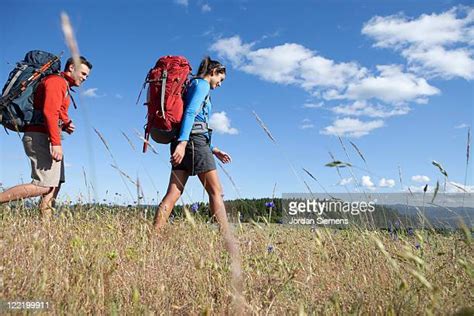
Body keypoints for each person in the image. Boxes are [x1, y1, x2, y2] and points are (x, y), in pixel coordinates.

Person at [0, 56, 92, 218]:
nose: (85, 78)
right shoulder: (56, 82)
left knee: (55, 183)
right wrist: (56, 143)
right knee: (43, 185)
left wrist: (65, 123)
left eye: (87, 76)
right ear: (71, 68)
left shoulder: (62, 84)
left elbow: (56, 110)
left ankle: (46, 228)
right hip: (40, 135)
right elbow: (50, 112)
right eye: (83, 74)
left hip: (46, 134)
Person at [153, 56, 232, 233]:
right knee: (216, 191)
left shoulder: (191, 85)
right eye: (221, 79)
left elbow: (193, 122)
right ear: (213, 72)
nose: (220, 83)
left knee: (173, 193)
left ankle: (154, 237)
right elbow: (190, 113)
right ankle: (227, 238)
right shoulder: (202, 85)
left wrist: (214, 149)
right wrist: (183, 143)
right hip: (191, 142)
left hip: (186, 142)